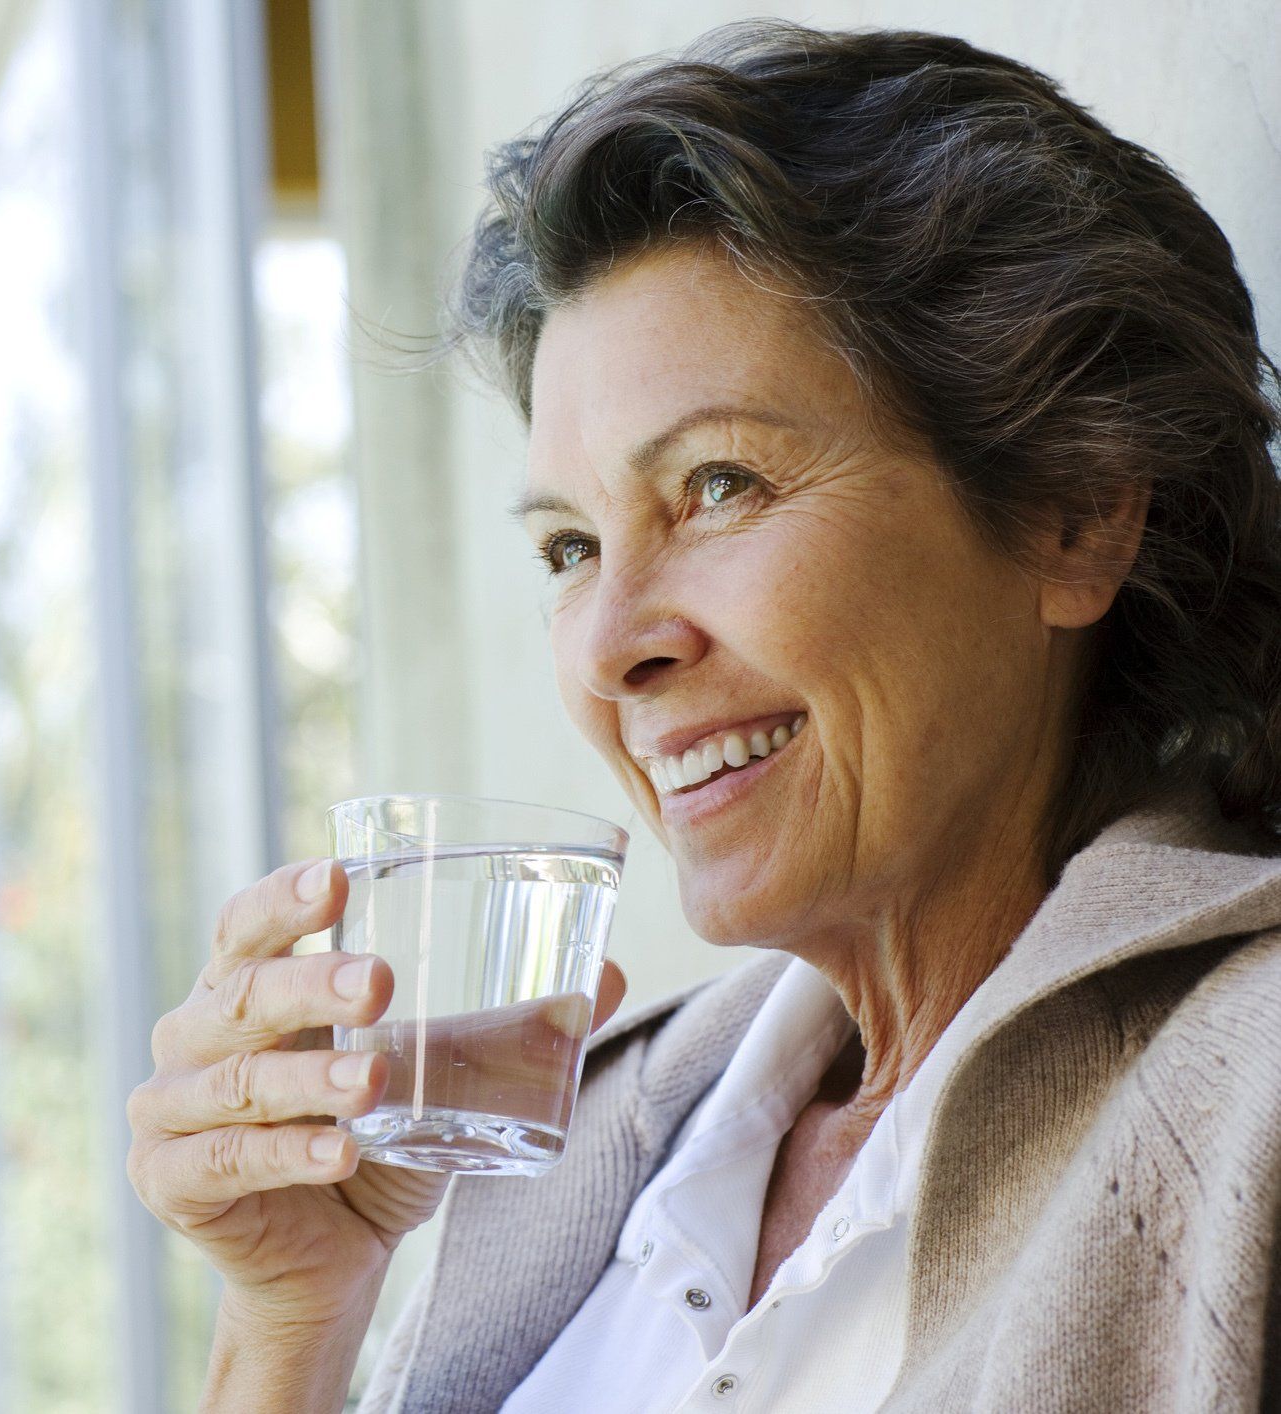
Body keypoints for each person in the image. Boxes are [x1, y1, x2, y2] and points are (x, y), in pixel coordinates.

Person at [125, 22, 1281, 1412]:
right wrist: (286, 1322)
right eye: (568, 548)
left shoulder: (1242, 1105)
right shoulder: (572, 1147)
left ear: (1076, 512)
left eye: (719, 483)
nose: (613, 643)